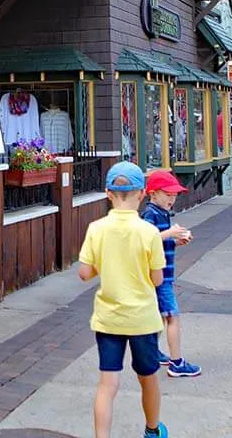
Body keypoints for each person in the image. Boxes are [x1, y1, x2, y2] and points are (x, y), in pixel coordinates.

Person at [78, 162, 170, 438]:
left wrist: (102, 264)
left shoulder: (96, 228)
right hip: (142, 318)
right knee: (148, 377)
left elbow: (84, 273)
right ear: (142, 193)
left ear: (108, 193)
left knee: (107, 384)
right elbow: (157, 279)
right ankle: (152, 430)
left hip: (108, 319)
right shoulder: (149, 232)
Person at [140, 170, 199, 379]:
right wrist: (170, 234)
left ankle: (153, 352)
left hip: (161, 274)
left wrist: (175, 241)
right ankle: (177, 362)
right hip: (159, 276)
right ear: (153, 194)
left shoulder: (160, 213)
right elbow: (145, 239)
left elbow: (156, 242)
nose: (172, 199)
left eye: (174, 195)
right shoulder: (150, 214)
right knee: (172, 316)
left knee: (157, 316)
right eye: (168, 194)